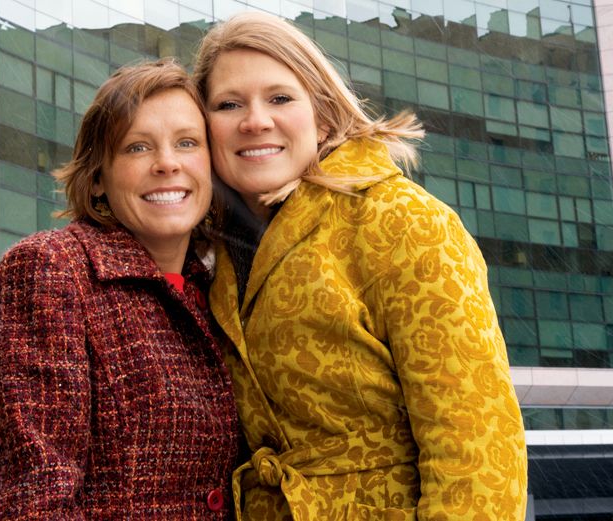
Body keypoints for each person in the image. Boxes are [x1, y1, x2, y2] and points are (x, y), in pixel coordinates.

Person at [193, 12, 528, 521]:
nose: (255, 120)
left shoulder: (403, 222)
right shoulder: (213, 254)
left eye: (280, 98)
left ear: (323, 115)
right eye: (228, 104)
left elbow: (477, 446)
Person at [0, 59, 240, 520]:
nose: (167, 164)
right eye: (137, 147)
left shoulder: (219, 291)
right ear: (98, 177)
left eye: (187, 143)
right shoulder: (51, 269)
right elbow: (30, 502)